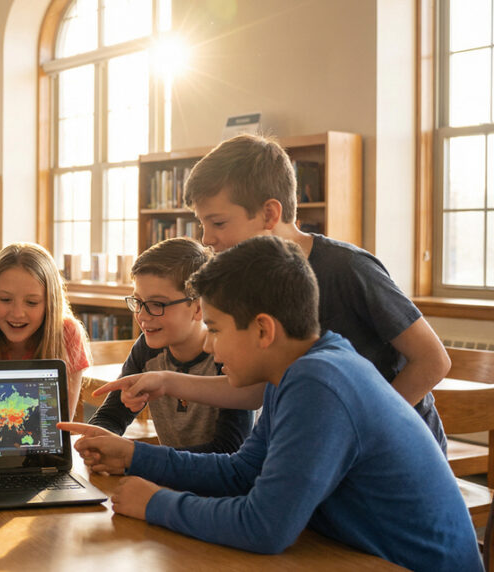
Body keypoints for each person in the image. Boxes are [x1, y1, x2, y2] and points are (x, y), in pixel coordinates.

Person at [60, 236, 481, 571]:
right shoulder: (297, 371)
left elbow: (264, 527)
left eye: (215, 328)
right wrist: (135, 455)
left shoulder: (321, 383)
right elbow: (243, 471)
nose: (210, 344)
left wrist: (155, 503)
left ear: (263, 330)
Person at [110, 133, 449, 450]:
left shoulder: (348, 269)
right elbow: (256, 390)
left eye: (218, 223)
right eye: (202, 224)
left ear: (270, 213)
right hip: (324, 447)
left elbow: (433, 359)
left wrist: (367, 428)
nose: (206, 239)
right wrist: (167, 381)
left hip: (392, 448)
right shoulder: (252, 282)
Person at [88, 237, 252, 452]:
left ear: (198, 307)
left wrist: (137, 457)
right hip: (173, 477)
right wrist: (95, 442)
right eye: (138, 302)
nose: (142, 315)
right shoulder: (147, 349)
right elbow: (112, 415)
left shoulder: (226, 357)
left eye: (157, 304)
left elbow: (228, 450)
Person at [0, 242, 90, 417]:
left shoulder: (67, 332)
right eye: (5, 299)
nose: (17, 313)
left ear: (50, 304)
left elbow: (61, 424)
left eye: (32, 302)